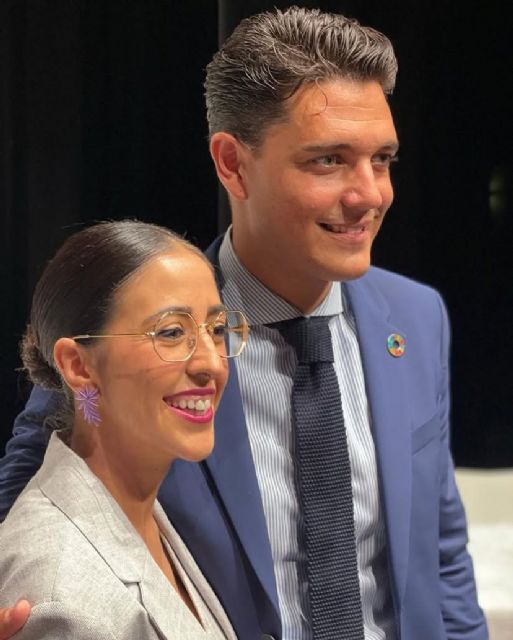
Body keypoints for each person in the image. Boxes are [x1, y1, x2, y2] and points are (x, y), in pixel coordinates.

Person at [0, 6, 487, 640]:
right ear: (232, 163)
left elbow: (441, 560)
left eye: (383, 159)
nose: (369, 194)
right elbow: (36, 504)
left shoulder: (417, 321)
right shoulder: (126, 332)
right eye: (328, 161)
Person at [0, 220, 245, 639]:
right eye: (171, 333)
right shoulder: (66, 596)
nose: (212, 363)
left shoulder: (141, 510)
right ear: (79, 367)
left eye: (217, 330)